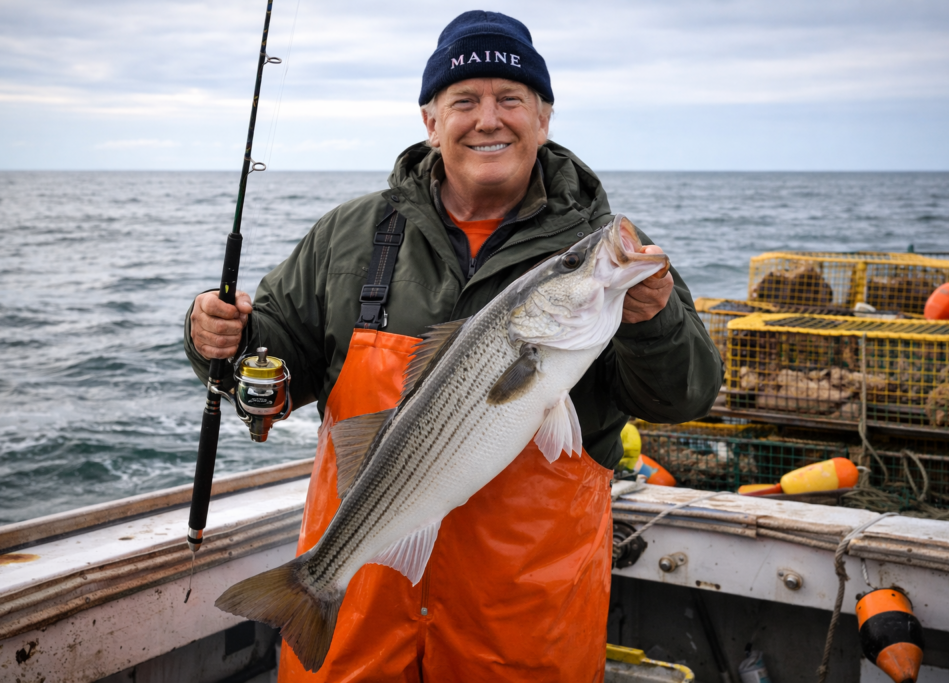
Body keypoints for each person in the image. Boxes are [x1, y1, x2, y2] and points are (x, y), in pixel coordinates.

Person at [186, 10, 721, 682]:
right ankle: (310, 590)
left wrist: (654, 317)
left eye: (511, 99)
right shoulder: (352, 236)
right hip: (362, 628)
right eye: (464, 101)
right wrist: (221, 338)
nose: (487, 119)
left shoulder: (617, 263)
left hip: (524, 631)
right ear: (430, 120)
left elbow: (685, 393)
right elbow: (273, 354)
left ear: (544, 118)